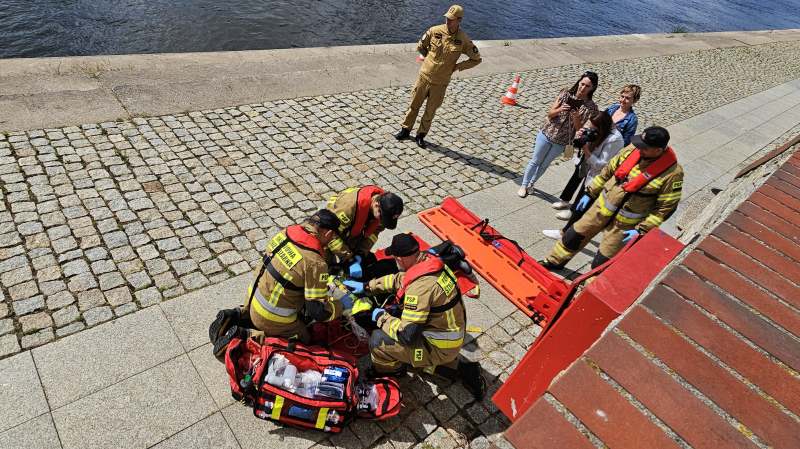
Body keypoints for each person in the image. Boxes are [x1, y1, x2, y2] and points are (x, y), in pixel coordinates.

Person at [343, 233, 486, 400]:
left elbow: (407, 335)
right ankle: (439, 364)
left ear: (400, 259)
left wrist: (381, 317)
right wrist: (367, 286)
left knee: (378, 340)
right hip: (445, 332)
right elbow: (399, 280)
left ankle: (392, 371)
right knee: (395, 319)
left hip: (438, 345)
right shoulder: (429, 263)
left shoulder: (420, 289)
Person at [209, 210, 352, 356]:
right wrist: (341, 306)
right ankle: (243, 337)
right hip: (270, 317)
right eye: (333, 236)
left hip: (252, 299)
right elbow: (317, 311)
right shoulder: (315, 262)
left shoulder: (287, 232)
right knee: (304, 340)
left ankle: (237, 315)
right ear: (328, 234)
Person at [540, 126, 684, 270]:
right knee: (572, 236)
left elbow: (665, 209)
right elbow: (607, 172)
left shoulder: (673, 174)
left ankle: (589, 287)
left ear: (658, 150)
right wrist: (589, 193)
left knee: (602, 261)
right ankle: (553, 262)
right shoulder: (632, 150)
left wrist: (642, 230)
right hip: (599, 209)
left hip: (625, 225)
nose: (639, 149)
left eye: (644, 148)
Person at [395, 5, 482, 148]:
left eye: (452, 19)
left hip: (440, 83)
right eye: (447, 17)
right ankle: (405, 129)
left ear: (459, 21)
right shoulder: (434, 31)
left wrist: (458, 66)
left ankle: (421, 134)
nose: (448, 21)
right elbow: (420, 46)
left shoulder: (463, 40)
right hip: (424, 77)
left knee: (430, 110)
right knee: (414, 105)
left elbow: (477, 59)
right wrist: (428, 59)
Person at [551, 85, 640, 213]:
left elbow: (625, 142)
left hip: (606, 150)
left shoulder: (631, 119)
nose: (623, 100)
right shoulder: (612, 108)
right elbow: (598, 123)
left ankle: (574, 210)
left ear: (634, 100)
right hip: (594, 145)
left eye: (627, 98)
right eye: (622, 96)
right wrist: (587, 133)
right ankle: (564, 200)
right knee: (578, 174)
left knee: (589, 182)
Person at [542, 111, 624, 239]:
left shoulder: (615, 139)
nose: (592, 130)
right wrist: (586, 136)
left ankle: (565, 234)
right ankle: (572, 230)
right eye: (590, 128)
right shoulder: (601, 132)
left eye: (593, 129)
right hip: (590, 173)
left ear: (602, 128)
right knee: (580, 205)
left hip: (599, 179)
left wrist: (586, 150)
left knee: (583, 208)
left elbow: (602, 165)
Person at [518, 71, 599, 198]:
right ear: (579, 82)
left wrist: (576, 117)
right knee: (535, 161)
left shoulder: (591, 106)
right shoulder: (566, 94)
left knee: (545, 164)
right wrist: (561, 109)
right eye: (582, 84)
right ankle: (524, 184)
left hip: (562, 141)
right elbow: (550, 114)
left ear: (593, 88)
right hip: (547, 133)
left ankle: (531, 184)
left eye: (587, 86)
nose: (583, 88)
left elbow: (578, 128)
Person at [324, 186, 404, 280]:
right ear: (376, 205)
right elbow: (329, 235)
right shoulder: (349, 208)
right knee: (324, 264)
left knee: (353, 255)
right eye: (382, 218)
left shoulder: (384, 210)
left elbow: (373, 234)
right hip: (328, 227)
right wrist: (348, 258)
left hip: (351, 228)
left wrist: (361, 254)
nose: (382, 221)